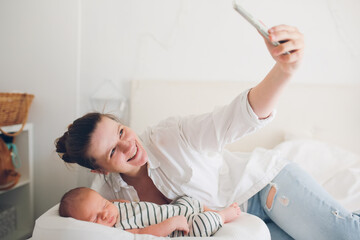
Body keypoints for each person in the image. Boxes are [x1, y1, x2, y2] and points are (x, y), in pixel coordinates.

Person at [55, 25, 360, 240]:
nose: (128, 146)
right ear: (99, 168)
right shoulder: (105, 200)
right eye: (112, 152)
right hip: (240, 225)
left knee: (347, 235)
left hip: (263, 188)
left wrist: (284, 70)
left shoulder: (169, 136)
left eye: (121, 131)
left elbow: (237, 118)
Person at [58, 187, 240, 237]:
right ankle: (222, 216)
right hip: (181, 229)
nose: (105, 213)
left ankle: (208, 209)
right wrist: (172, 223)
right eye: (95, 218)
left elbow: (119, 202)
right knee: (202, 225)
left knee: (188, 198)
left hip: (174, 209)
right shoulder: (117, 231)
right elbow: (143, 233)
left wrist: (110, 203)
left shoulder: (116, 207)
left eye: (104, 205)